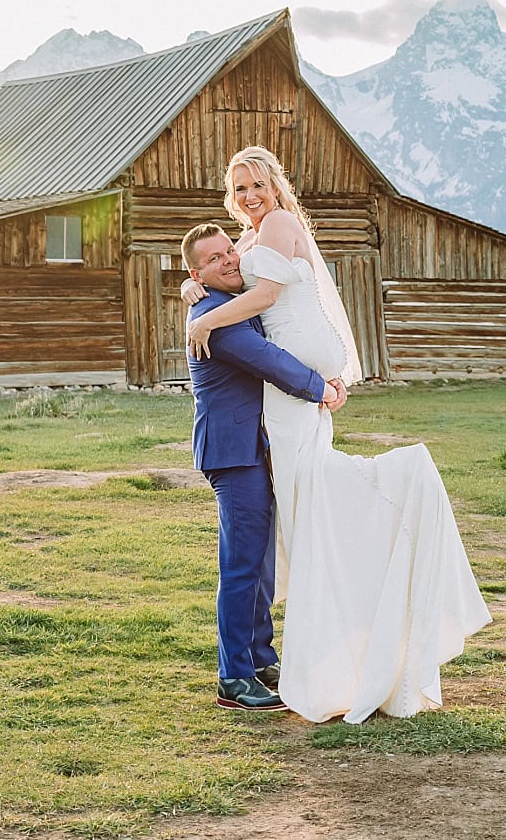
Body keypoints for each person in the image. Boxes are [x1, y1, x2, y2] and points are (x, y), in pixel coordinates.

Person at [182, 145, 491, 724]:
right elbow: (259, 342)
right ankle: (237, 672)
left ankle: (261, 658)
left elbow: (263, 293)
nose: (250, 197)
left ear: (275, 184)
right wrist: (195, 299)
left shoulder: (266, 236)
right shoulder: (229, 293)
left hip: (273, 420)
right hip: (237, 443)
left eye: (257, 184)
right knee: (251, 556)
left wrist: (203, 304)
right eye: (239, 187)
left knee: (276, 545)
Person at [180, 221, 347, 711]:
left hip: (256, 446)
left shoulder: (221, 303)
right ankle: (233, 677)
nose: (230, 260)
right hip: (233, 452)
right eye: (215, 259)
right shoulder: (216, 318)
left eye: (230, 250)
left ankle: (258, 656)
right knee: (241, 565)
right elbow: (270, 360)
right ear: (199, 273)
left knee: (262, 563)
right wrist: (323, 389)